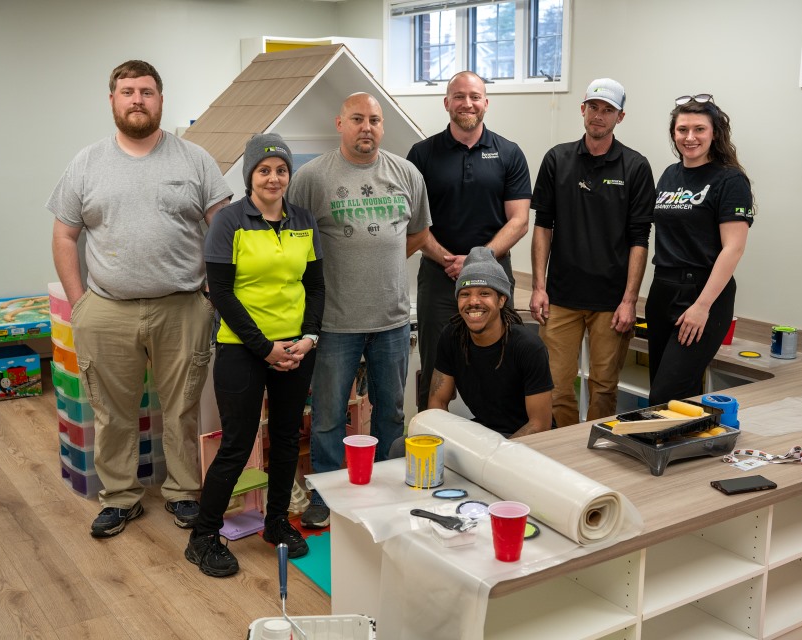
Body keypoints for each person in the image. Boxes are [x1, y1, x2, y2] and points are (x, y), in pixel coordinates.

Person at [47, 60, 232, 538]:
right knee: (111, 412)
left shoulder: (195, 160)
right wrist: (79, 301)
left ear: (160, 100)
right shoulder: (86, 163)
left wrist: (213, 294)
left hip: (183, 306)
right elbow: (65, 236)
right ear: (112, 100)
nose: (137, 100)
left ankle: (183, 492)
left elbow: (224, 231)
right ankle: (121, 497)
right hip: (106, 309)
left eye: (146, 92)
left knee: (182, 408)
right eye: (127, 91)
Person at [287, 92, 431, 529]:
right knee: (328, 418)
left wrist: (378, 263)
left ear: (381, 126)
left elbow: (420, 233)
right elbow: (295, 243)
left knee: (390, 413)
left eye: (374, 119)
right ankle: (327, 494)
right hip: (334, 323)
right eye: (356, 119)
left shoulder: (406, 173)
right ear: (339, 123)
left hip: (391, 319)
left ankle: (389, 488)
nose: (366, 127)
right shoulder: (312, 177)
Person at [184, 134, 324, 577]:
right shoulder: (228, 221)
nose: (273, 177)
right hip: (242, 350)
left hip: (296, 349)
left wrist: (309, 337)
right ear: (249, 176)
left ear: (289, 175)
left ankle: (277, 522)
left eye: (281, 169)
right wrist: (264, 348)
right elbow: (220, 292)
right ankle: (203, 537)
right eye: (264, 170)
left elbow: (315, 285)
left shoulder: (303, 220)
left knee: (285, 439)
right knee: (238, 444)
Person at [529, 78, 654, 428]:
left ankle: (596, 457)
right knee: (555, 388)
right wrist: (539, 286)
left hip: (611, 303)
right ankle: (566, 453)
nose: (599, 116)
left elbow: (639, 239)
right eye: (594, 107)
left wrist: (630, 300)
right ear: (583, 109)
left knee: (603, 389)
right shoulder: (557, 159)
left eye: (608, 110)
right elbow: (543, 226)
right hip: (561, 298)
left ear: (620, 117)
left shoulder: (636, 166)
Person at [407, 71, 532, 413]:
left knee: (501, 360)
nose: (467, 103)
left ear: (486, 103)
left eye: (475, 96)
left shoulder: (509, 153)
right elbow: (412, 223)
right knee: (434, 363)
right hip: (438, 277)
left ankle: (502, 439)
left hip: (493, 276)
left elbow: (519, 221)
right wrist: (448, 259)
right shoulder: (422, 154)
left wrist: (476, 262)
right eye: (459, 96)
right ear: (447, 103)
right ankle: (429, 439)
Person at [390, 247, 552, 455]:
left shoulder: (529, 347)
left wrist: (496, 454)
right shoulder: (452, 336)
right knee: (400, 448)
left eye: (484, 293)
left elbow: (539, 425)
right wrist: (450, 441)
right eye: (465, 294)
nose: (473, 301)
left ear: (502, 300)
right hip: (481, 433)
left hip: (523, 442)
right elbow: (437, 403)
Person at [646, 94, 754, 405]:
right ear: (673, 133)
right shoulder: (669, 174)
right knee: (675, 392)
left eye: (699, 129)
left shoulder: (730, 180)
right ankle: (684, 451)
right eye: (682, 130)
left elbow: (733, 248)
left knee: (667, 394)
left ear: (715, 133)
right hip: (663, 288)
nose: (689, 137)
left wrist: (702, 306)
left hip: (702, 293)